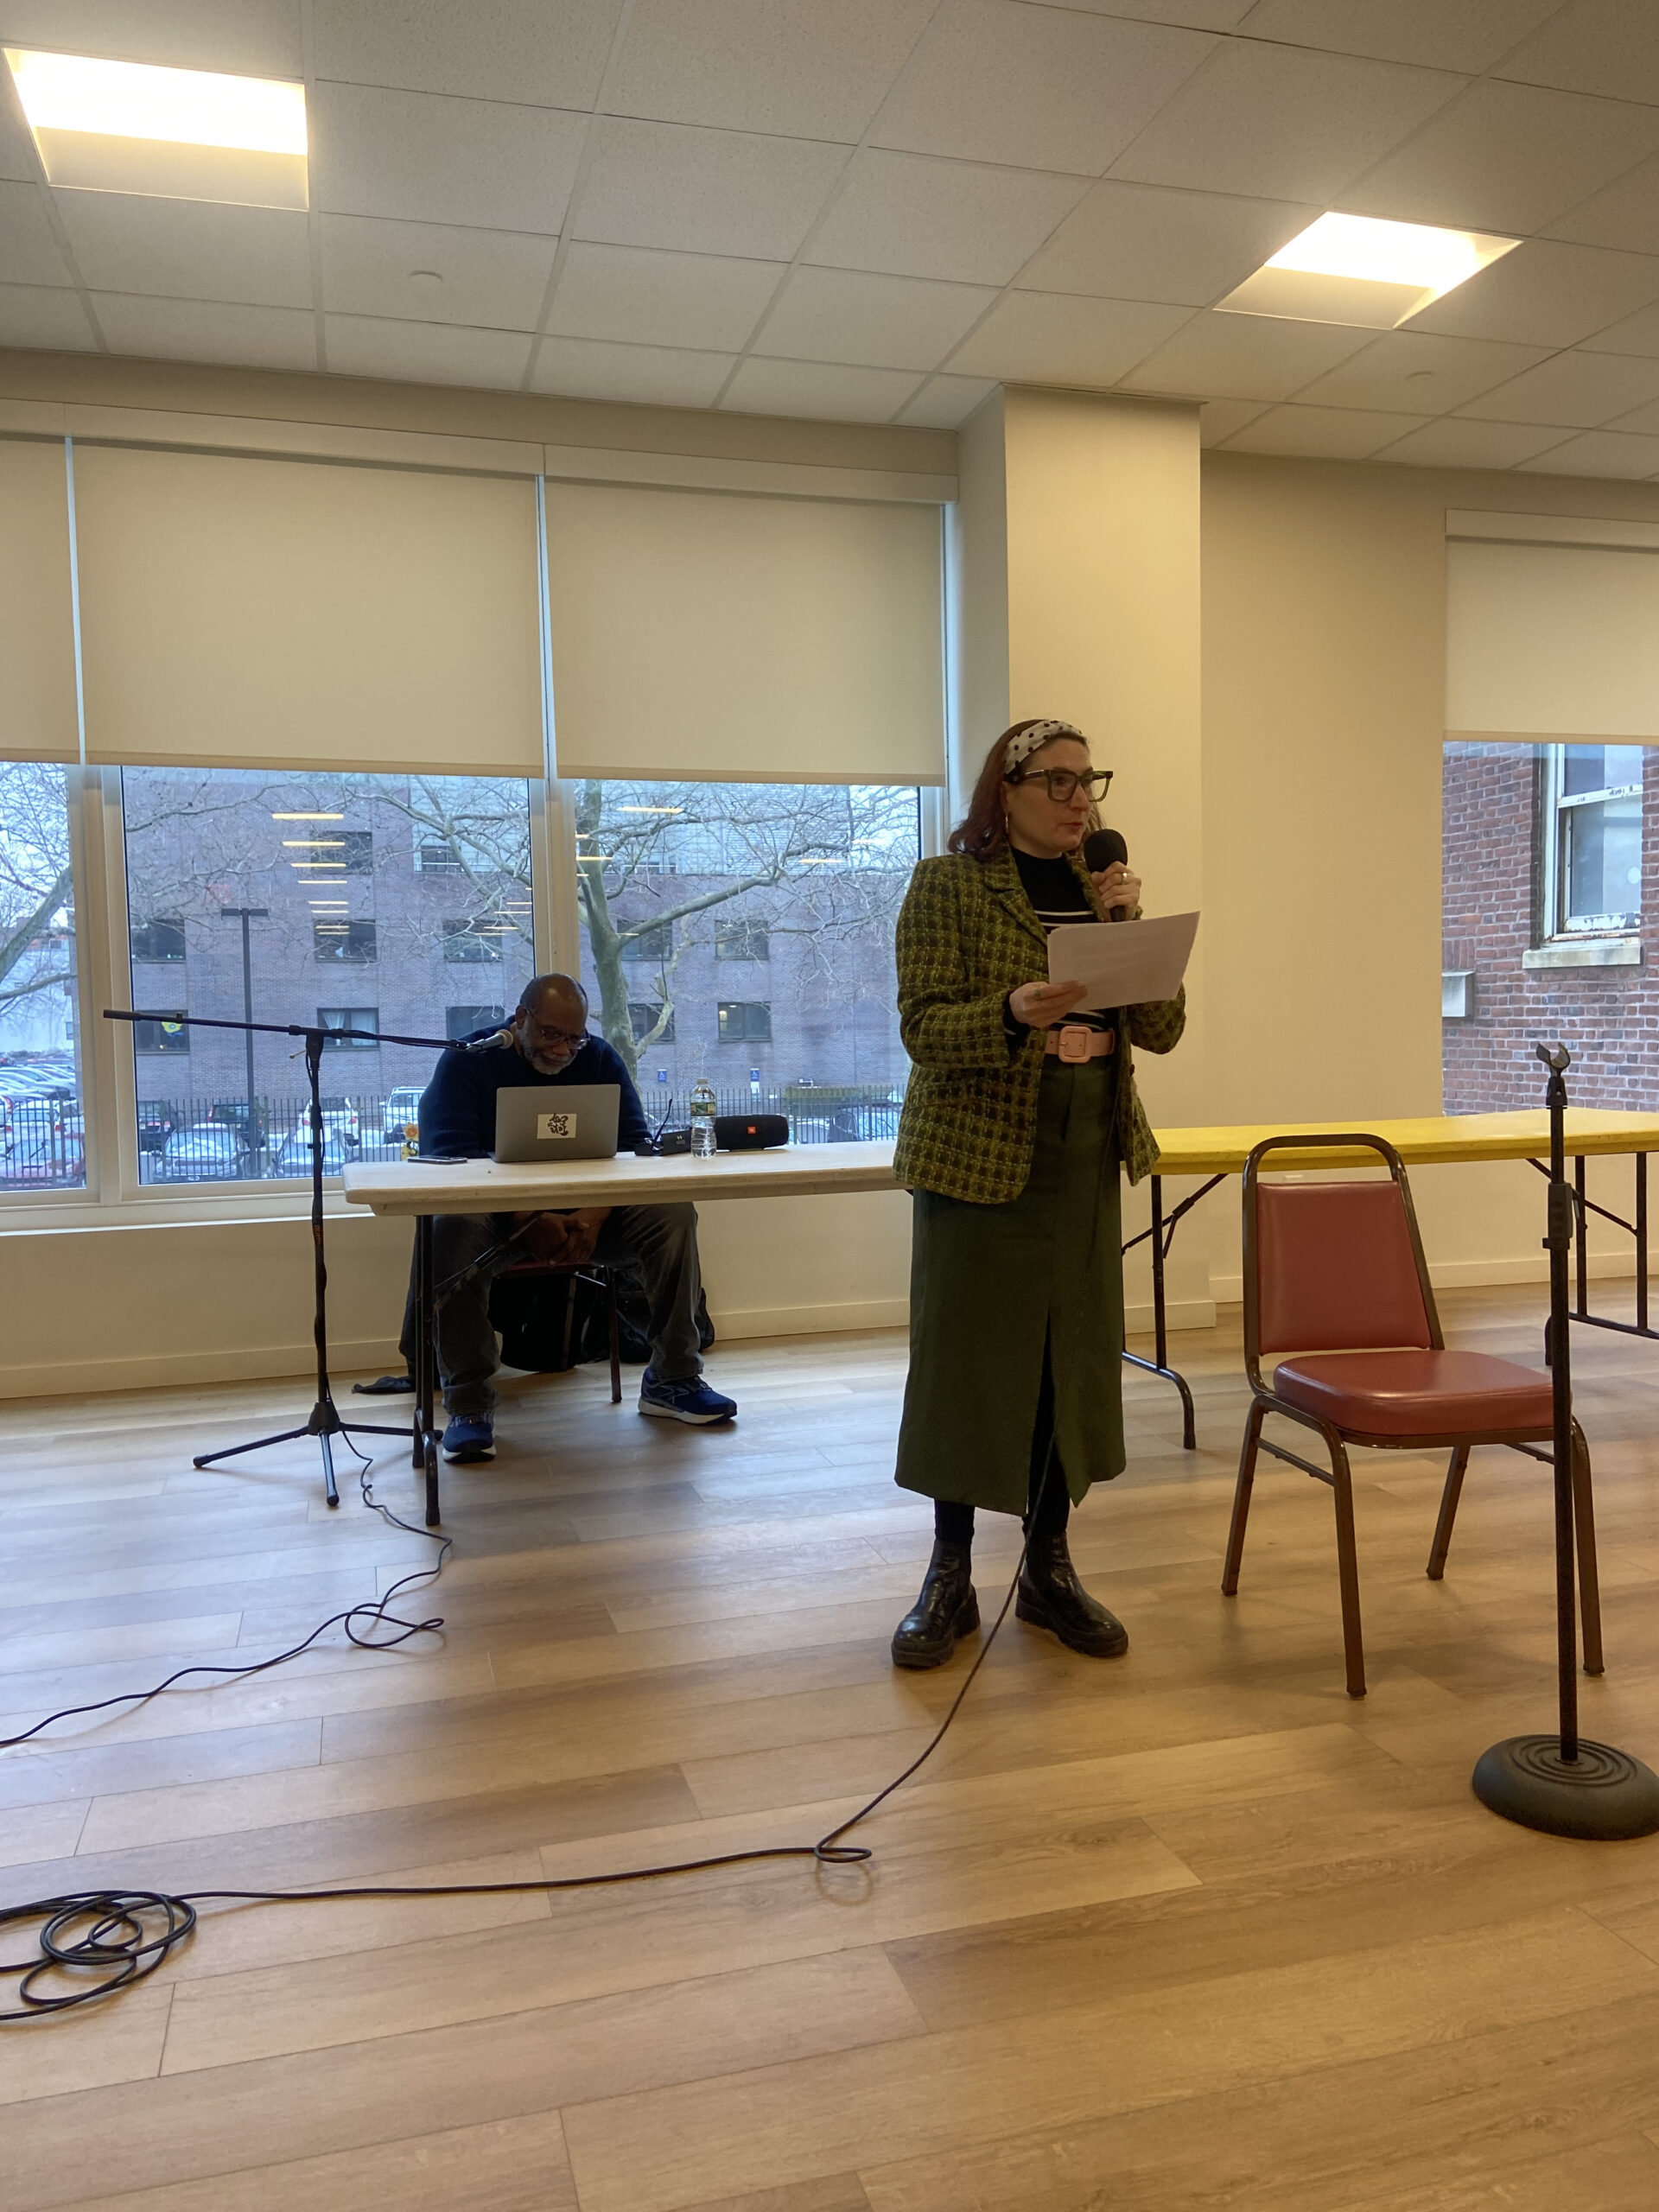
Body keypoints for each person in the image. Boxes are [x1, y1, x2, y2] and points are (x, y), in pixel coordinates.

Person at [887, 718, 1186, 1669]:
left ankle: (1050, 1566)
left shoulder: (1105, 893)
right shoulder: (949, 884)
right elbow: (925, 1028)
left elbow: (1166, 1027)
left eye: (1086, 781)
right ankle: (949, 1573)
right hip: (981, 1146)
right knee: (968, 1361)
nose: (1077, 800)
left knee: (1071, 1358)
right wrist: (1011, 1011)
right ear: (1003, 791)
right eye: (1055, 781)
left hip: (1088, 1139)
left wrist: (1128, 924)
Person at [397, 972, 735, 1460]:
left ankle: (673, 1378)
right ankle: (468, 1403)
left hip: (585, 1218)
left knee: (672, 1212)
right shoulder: (469, 1060)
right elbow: (452, 1158)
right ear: (520, 1018)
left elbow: (632, 1150)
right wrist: (528, 1219)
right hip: (496, 1220)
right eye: (551, 1035)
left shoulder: (598, 1058)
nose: (563, 1049)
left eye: (574, 1038)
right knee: (450, 1225)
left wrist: (594, 1217)